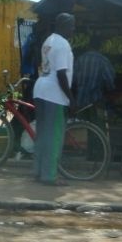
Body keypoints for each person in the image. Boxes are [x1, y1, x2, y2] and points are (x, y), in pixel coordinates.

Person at [32, 12, 76, 186]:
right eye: (72, 25)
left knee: (42, 135)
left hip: (41, 89)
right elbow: (61, 75)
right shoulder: (63, 44)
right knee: (53, 136)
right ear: (63, 26)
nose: (74, 29)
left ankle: (39, 172)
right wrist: (71, 99)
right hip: (54, 94)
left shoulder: (49, 41)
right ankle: (49, 176)